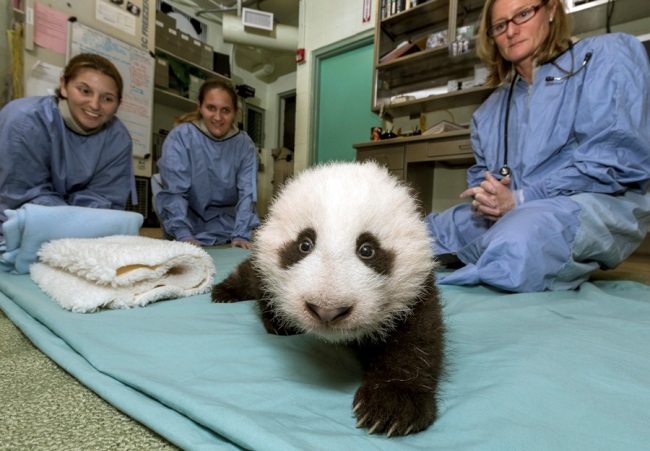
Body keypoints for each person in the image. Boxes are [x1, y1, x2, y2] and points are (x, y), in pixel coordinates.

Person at [425, 0, 650, 292]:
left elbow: (615, 160)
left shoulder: (608, 57)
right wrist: (488, 198)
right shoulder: (488, 112)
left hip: (592, 204)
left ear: (552, 9)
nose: (512, 31)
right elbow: (485, 178)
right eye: (500, 25)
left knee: (518, 241)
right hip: (511, 214)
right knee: (424, 233)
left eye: (523, 14)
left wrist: (520, 199)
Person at [0, 53, 134, 244]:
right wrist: (75, 221)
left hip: (78, 237)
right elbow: (21, 198)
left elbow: (105, 203)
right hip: (13, 232)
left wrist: (74, 223)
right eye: (85, 91)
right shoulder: (24, 120)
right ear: (63, 86)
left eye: (107, 99)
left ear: (118, 104)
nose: (94, 105)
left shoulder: (118, 138)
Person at [153, 79, 260, 249]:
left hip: (227, 222)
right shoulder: (180, 136)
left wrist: (241, 234)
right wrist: (183, 233)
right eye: (211, 108)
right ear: (199, 106)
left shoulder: (245, 145)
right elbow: (174, 191)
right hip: (186, 215)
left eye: (225, 110)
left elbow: (247, 193)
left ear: (235, 113)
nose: (218, 117)